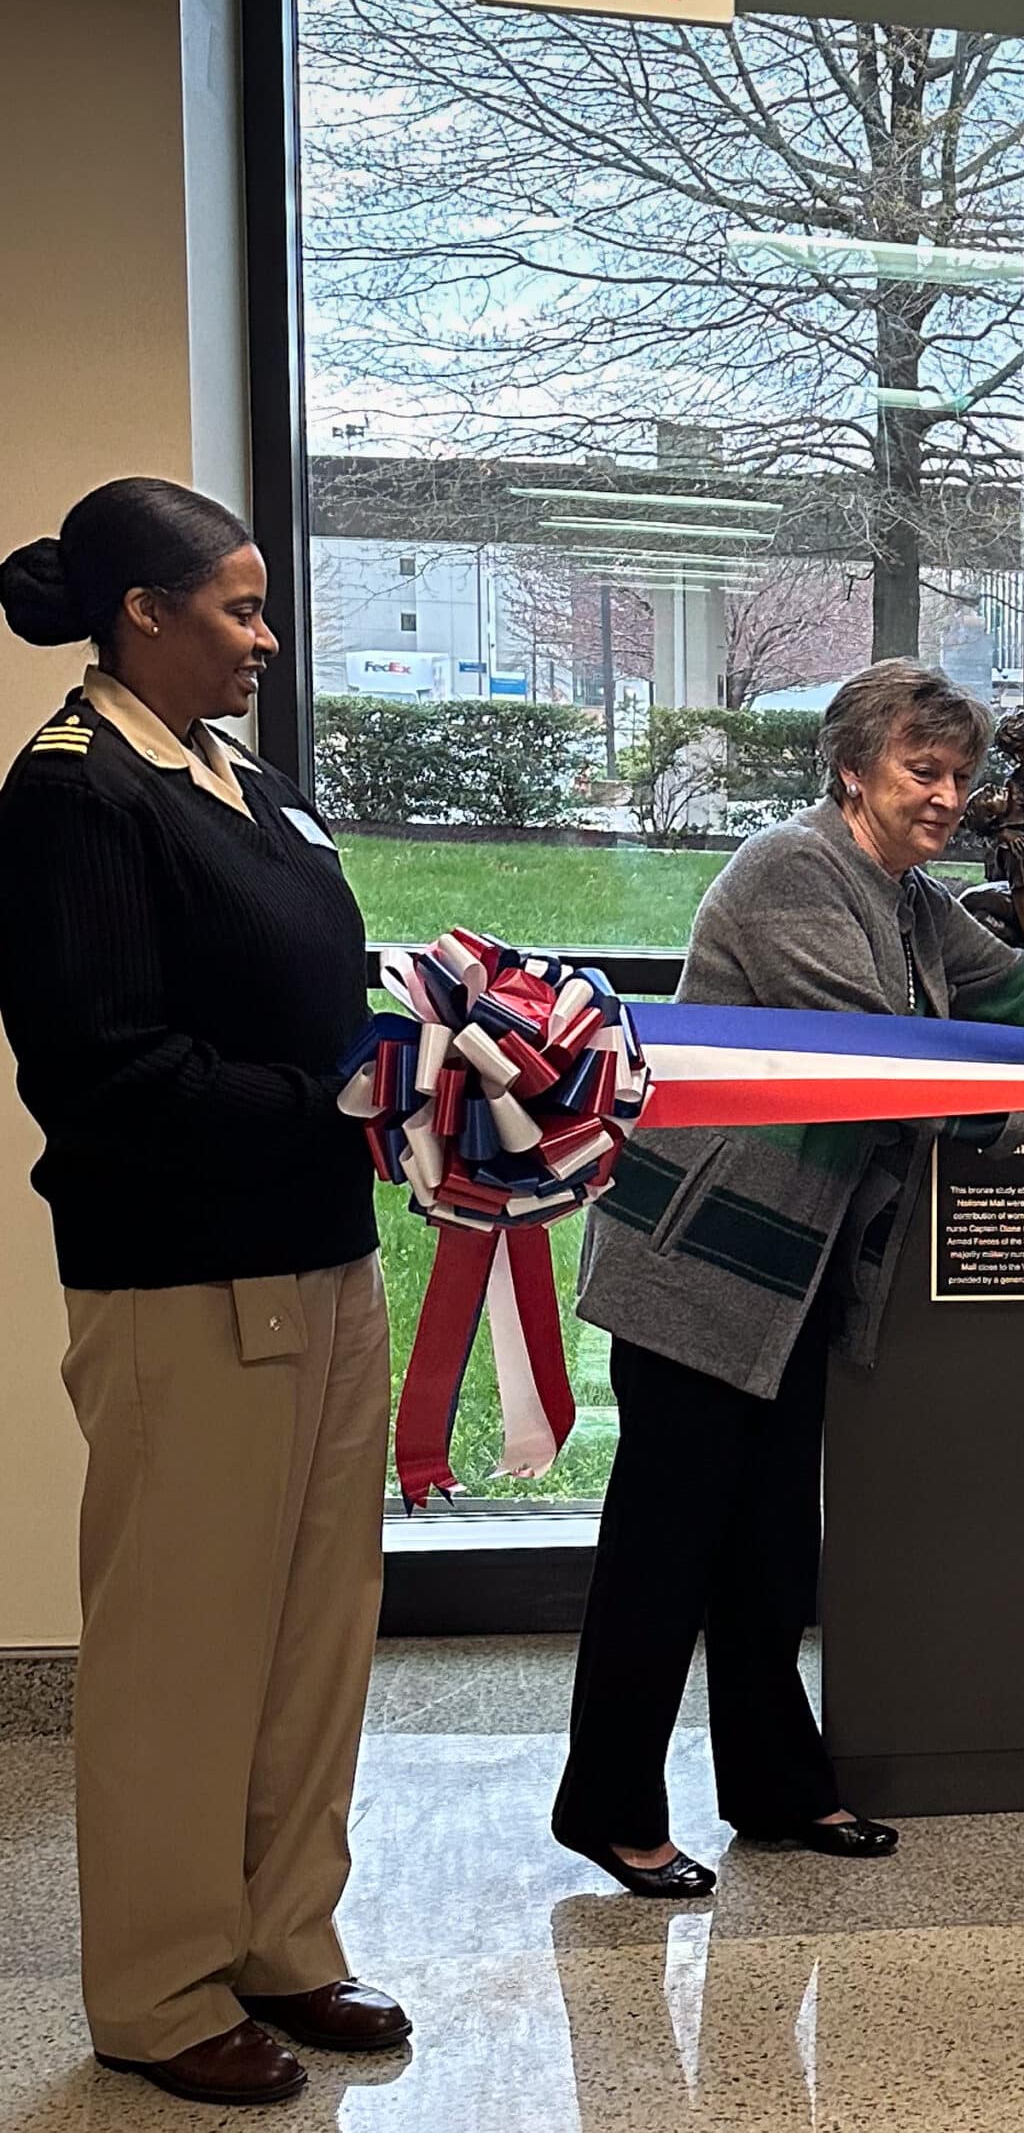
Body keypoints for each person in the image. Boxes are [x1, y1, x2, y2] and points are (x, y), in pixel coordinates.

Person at [558, 660, 1024, 1896]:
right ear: (852, 766)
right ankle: (607, 1804)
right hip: (700, 1273)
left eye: (962, 775)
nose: (950, 796)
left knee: (765, 1549)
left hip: (788, 1280)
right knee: (667, 1544)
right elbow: (877, 1062)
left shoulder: (907, 899)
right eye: (925, 771)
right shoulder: (791, 870)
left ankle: (776, 1791)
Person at [0, 480, 408, 2107]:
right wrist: (329, 1102)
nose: (265, 635)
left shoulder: (245, 782)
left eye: (262, 605)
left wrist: (422, 1042)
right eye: (237, 608)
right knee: (184, 1649)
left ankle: (285, 1942)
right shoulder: (72, 795)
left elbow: (321, 999)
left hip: (324, 1260)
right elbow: (104, 1071)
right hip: (184, 1279)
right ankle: (162, 1993)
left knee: (317, 1631)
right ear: (142, 616)